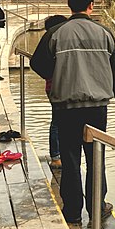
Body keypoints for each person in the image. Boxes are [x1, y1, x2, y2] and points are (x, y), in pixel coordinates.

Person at [31, 0, 115, 225]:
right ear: (91, 5)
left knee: (70, 159)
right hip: (97, 108)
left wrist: (57, 73)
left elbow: (38, 64)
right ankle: (97, 208)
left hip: (66, 108)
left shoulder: (56, 33)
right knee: (96, 158)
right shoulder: (104, 33)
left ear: (69, 5)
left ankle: (73, 212)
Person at [42, 14, 68, 169]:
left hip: (55, 87)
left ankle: (59, 155)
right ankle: (56, 156)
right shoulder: (54, 43)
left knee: (59, 121)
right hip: (56, 87)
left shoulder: (51, 42)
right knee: (58, 122)